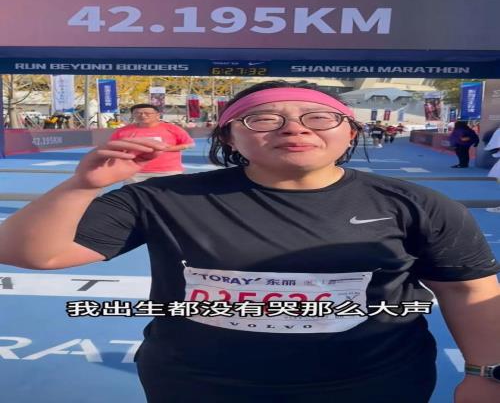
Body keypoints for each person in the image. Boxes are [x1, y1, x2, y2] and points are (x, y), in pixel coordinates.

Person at [0, 80, 498, 403]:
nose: (294, 128)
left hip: (372, 385)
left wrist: (484, 373)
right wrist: (81, 186)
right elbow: (31, 253)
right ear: (228, 138)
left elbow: (468, 290)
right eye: (263, 119)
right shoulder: (160, 199)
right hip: (197, 385)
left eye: (318, 117)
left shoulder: (417, 204)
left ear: (350, 132)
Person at [109, 103, 195, 183]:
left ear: (157, 115)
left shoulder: (172, 128)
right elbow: (112, 147)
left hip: (168, 171)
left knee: (169, 194)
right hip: (135, 172)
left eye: (147, 113)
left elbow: (190, 144)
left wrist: (169, 148)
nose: (143, 115)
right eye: (138, 113)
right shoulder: (122, 131)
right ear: (132, 115)